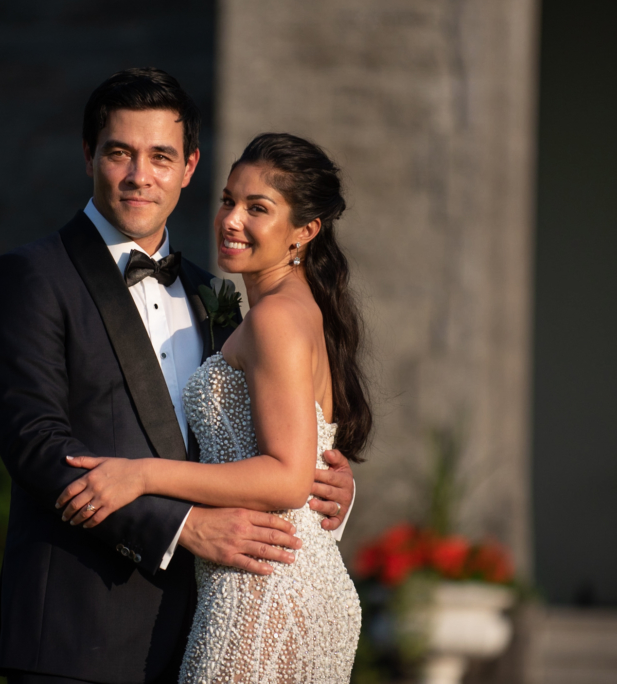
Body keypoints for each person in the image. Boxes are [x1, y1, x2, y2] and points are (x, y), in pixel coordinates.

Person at [0, 69, 357, 684]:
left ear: (189, 165)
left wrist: (326, 485)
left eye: (160, 156)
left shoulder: (215, 293)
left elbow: (261, 443)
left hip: (213, 617)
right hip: (81, 629)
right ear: (88, 155)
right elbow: (37, 448)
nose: (138, 176)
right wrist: (184, 526)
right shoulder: (29, 278)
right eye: (119, 152)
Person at [57, 132, 370, 682]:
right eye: (229, 199)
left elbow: (287, 479)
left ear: (306, 231)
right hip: (295, 578)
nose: (231, 220)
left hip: (264, 589)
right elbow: (308, 455)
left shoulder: (275, 319)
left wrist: (139, 474)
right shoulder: (290, 309)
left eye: (258, 208)